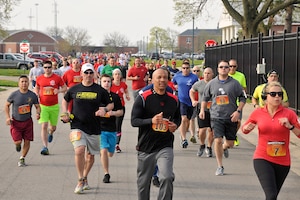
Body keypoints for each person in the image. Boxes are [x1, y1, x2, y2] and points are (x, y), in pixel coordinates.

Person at [241, 81, 300, 200]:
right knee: (271, 195)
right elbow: (244, 129)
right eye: (273, 94)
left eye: (280, 94)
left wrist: (290, 127)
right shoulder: (258, 113)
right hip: (262, 158)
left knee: (273, 196)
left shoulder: (289, 114)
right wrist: (246, 128)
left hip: (283, 161)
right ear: (265, 97)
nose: (277, 97)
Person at [61, 63, 113, 194]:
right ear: (81, 74)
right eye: (86, 72)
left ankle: (84, 177)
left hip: (94, 126)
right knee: (79, 150)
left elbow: (110, 103)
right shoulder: (74, 89)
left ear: (94, 74)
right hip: (77, 124)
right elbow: (65, 100)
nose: (88, 75)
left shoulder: (100, 90)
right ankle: (80, 179)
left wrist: (104, 110)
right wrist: (65, 113)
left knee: (90, 156)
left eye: (91, 72)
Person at [131, 68, 181, 200]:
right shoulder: (143, 98)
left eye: (165, 77)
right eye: (159, 77)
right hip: (146, 147)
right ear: (152, 80)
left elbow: (178, 118)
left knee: (167, 177)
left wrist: (175, 125)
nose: (162, 80)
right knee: (143, 183)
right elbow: (134, 121)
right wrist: (151, 121)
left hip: (165, 145)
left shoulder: (174, 99)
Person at [199, 60, 246, 176]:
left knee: (230, 143)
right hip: (216, 116)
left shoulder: (235, 83)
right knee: (218, 140)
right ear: (218, 69)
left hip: (231, 116)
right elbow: (205, 98)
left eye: (226, 67)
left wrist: (238, 111)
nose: (224, 69)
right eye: (221, 67)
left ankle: (225, 148)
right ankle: (220, 166)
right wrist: (202, 111)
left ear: (229, 69)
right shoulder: (212, 83)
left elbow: (243, 98)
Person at [5, 75, 41, 167]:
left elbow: (37, 106)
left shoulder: (32, 95)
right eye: (22, 82)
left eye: (26, 81)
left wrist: (38, 113)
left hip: (28, 122)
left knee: (27, 141)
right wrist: (8, 117)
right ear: (19, 83)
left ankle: (22, 158)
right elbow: (6, 105)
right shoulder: (14, 94)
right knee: (18, 141)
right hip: (16, 122)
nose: (24, 83)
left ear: (28, 83)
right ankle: (17, 145)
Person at [34, 60, 67, 155]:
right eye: (45, 67)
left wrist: (59, 91)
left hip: (54, 106)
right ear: (43, 68)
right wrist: (36, 93)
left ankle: (51, 133)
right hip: (43, 106)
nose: (47, 69)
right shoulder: (39, 78)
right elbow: (37, 87)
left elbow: (65, 88)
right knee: (44, 125)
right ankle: (45, 147)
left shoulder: (57, 78)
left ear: (52, 68)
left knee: (53, 127)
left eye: (49, 67)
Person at [99, 74, 124, 183]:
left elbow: (121, 112)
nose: (106, 83)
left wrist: (113, 112)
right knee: (103, 150)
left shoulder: (115, 97)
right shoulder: (96, 97)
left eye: (108, 81)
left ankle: (109, 151)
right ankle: (106, 173)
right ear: (100, 83)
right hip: (100, 129)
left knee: (110, 153)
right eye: (104, 81)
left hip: (111, 128)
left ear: (111, 83)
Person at [172, 61, 198, 148]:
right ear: (181, 69)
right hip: (182, 100)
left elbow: (197, 87)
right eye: (183, 68)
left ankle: (184, 132)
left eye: (187, 68)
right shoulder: (177, 76)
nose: (185, 70)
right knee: (183, 119)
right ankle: (183, 139)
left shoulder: (194, 77)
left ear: (189, 69)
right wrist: (176, 87)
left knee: (188, 120)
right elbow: (173, 83)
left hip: (191, 101)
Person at [190, 67, 214, 157]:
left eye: (208, 73)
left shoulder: (215, 83)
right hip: (202, 109)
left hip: (214, 109)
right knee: (202, 130)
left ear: (212, 74)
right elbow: (191, 91)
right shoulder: (199, 84)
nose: (206, 75)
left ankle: (209, 147)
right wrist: (193, 100)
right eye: (205, 73)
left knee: (212, 130)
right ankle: (202, 145)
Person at [110, 68, 130, 153]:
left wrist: (127, 96)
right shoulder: (110, 85)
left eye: (118, 74)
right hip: (111, 107)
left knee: (118, 125)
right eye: (115, 74)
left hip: (121, 107)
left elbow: (126, 91)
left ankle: (117, 144)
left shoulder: (123, 84)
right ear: (113, 76)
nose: (117, 76)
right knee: (111, 125)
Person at [228, 59, 247, 146]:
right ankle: (229, 136)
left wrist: (243, 98)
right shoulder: (225, 75)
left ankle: (233, 135)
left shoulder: (241, 76)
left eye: (234, 66)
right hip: (228, 103)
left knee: (238, 121)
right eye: (230, 66)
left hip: (238, 103)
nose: (232, 68)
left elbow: (244, 89)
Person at [189, 65, 202, 144]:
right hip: (193, 102)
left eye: (197, 71)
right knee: (192, 119)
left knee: (200, 118)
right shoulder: (190, 80)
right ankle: (192, 135)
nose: (196, 72)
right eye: (194, 71)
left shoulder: (202, 80)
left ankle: (198, 130)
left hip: (201, 102)